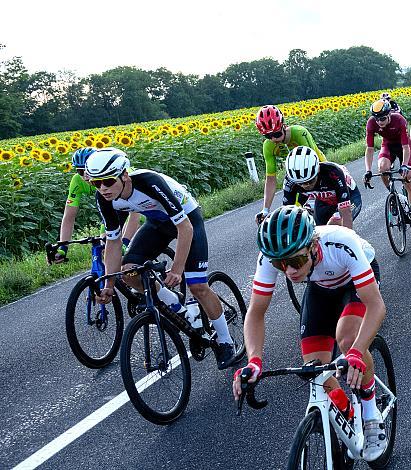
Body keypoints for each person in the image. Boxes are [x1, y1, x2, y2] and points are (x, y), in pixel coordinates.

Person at [233, 206, 388, 461]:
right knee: (314, 368)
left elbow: (376, 306)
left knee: (348, 339)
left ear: (314, 246)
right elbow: (256, 312)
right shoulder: (274, 255)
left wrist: (358, 352)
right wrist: (254, 361)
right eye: (279, 264)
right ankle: (348, 416)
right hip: (320, 286)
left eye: (295, 261)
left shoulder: (341, 243)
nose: (289, 271)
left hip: (353, 281)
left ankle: (370, 414)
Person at [87, 148, 239, 370]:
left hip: (187, 219)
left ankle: (226, 342)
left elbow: (185, 227)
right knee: (129, 272)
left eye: (108, 181)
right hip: (158, 223)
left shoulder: (149, 182)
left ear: (124, 176)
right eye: (96, 183)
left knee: (197, 286)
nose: (102, 188)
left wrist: (177, 269)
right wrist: (109, 284)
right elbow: (113, 242)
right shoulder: (105, 199)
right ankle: (176, 305)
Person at [54, 147, 140, 263]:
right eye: (80, 172)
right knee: (106, 247)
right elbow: (69, 216)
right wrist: (63, 247)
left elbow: (134, 215)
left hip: (137, 206)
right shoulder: (77, 181)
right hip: (110, 207)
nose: (85, 177)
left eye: (87, 171)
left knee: (126, 256)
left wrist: (124, 242)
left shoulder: (115, 175)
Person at [255, 105, 327, 225]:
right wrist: (265, 210)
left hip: (318, 170)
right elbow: (271, 179)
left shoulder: (299, 133)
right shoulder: (268, 146)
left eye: (277, 134)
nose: (273, 139)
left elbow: (315, 165)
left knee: (319, 213)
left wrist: (313, 197)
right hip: (295, 175)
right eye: (268, 136)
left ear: (283, 125)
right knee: (294, 216)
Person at [364, 99, 411, 236]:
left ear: (389, 114)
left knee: (407, 178)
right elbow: (369, 149)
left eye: (383, 118)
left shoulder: (399, 120)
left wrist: (404, 165)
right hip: (388, 145)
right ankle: (392, 195)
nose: (379, 122)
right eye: (377, 119)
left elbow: (405, 147)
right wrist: (368, 170)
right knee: (382, 168)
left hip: (403, 146)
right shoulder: (371, 123)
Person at [282, 145, 362, 228]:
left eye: (310, 181)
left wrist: (348, 237)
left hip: (351, 197)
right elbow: (288, 213)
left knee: (335, 224)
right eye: (300, 183)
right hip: (324, 201)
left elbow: (346, 212)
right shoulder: (289, 181)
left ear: (318, 170)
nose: (306, 186)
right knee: (316, 230)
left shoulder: (333, 172)